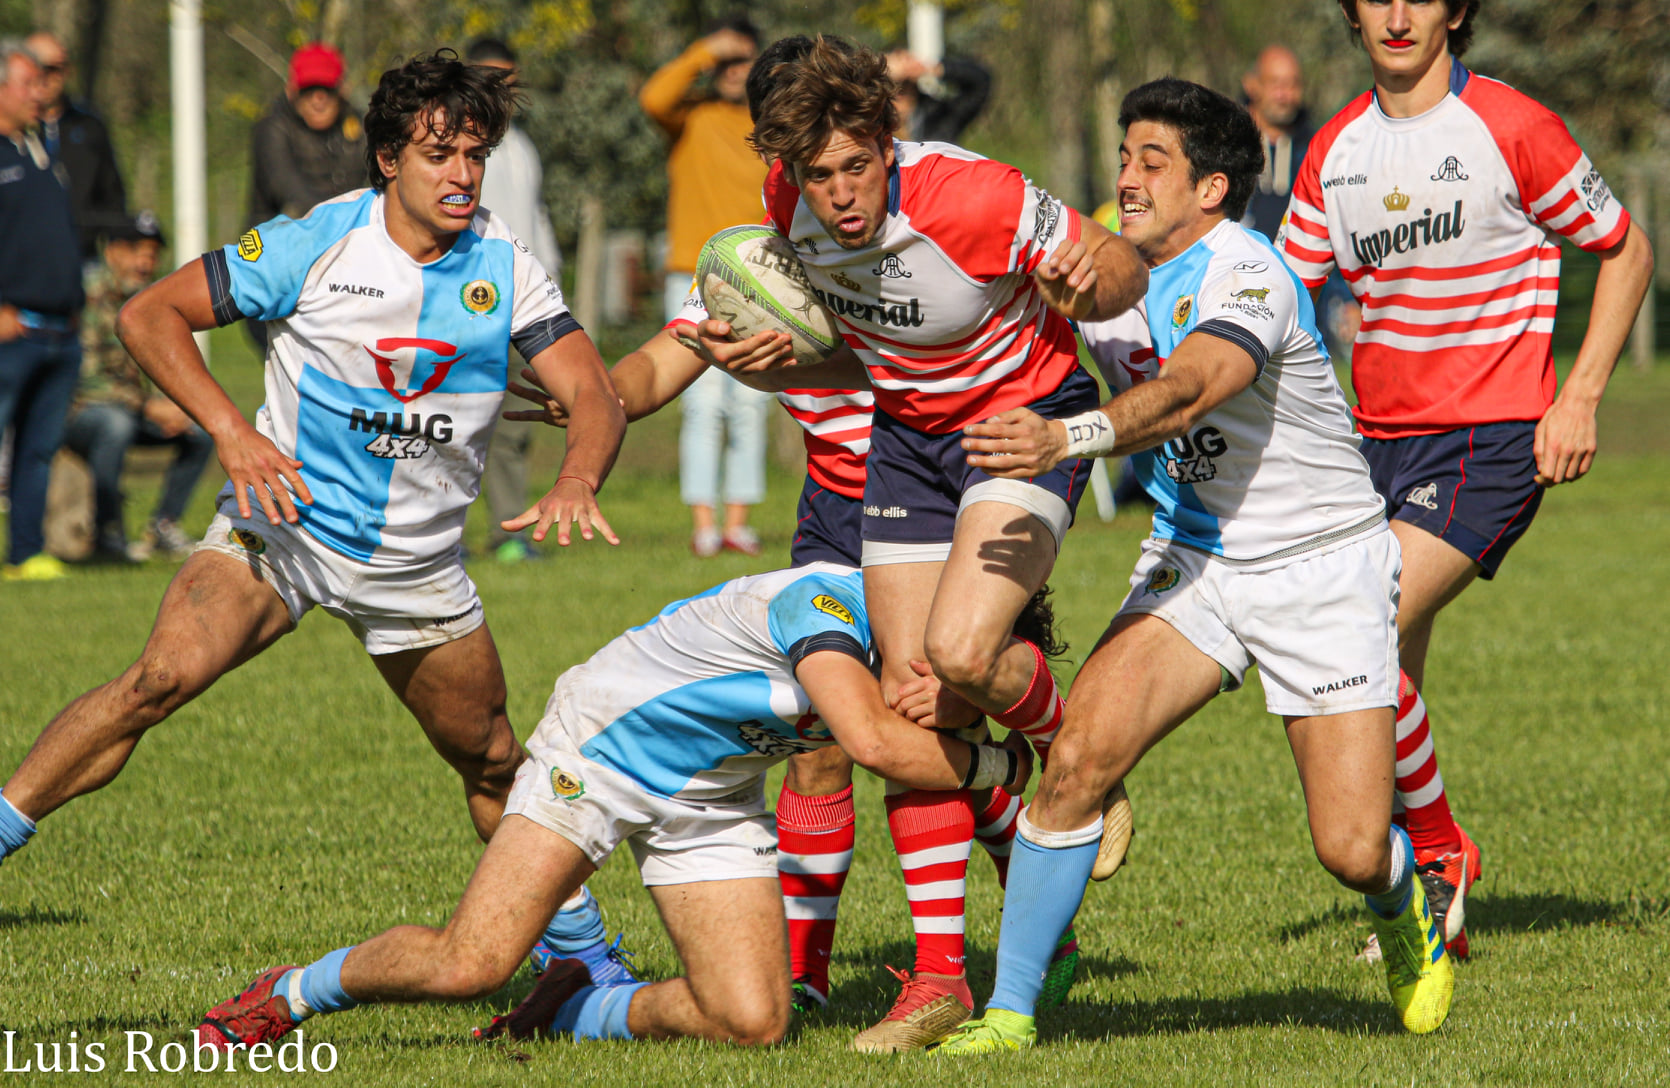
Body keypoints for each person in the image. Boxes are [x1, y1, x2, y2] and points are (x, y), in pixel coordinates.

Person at [0, 52, 625, 918]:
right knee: (156, 681)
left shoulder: (505, 265)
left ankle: (579, 955)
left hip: (415, 567)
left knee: (488, 758)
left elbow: (594, 390)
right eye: (439, 154)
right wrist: (231, 434)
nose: (461, 175)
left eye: (474, 155)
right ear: (388, 159)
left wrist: (579, 478)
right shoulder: (316, 241)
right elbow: (150, 314)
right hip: (282, 532)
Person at [935, 77, 1453, 1055]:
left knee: (1346, 846)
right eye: (1123, 157)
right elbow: (963, 334)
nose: (1125, 179)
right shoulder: (1099, 278)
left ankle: (1402, 905)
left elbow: (1186, 390)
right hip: (1195, 558)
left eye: (1151, 162)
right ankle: (1008, 1011)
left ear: (1211, 187)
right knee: (1079, 755)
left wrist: (1066, 437)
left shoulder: (1245, 272)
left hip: (1321, 566)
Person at [732, 36, 1147, 1049]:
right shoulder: (786, 209)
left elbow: (1124, 267)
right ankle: (935, 979)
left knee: (959, 657)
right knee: (904, 700)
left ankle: (1065, 744)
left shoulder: (974, 197)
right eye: (817, 174)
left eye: (854, 166)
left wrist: (1090, 280)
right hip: (908, 446)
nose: (837, 194)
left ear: (888, 141)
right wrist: (765, 352)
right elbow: (849, 334)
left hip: (1019, 427)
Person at [192, 562, 1036, 1052]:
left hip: (712, 792)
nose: (932, 704)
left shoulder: (925, 664)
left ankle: (570, 1011)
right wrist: (1011, 761)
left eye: (963, 701)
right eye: (943, 682)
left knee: (751, 1021)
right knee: (470, 965)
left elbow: (929, 759)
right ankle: (292, 993)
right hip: (599, 750)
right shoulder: (826, 603)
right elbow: (878, 746)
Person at [1278, 0, 1654, 960]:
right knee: (1386, 665)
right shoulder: (1334, 150)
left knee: (1358, 618)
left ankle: (1440, 851)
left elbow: (1625, 249)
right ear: (1353, 14)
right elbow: (1278, 300)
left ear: (1456, 11)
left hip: (1489, 439)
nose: (1398, 14)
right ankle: (1414, 888)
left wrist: (1579, 398)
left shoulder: (1512, 127)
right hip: (1374, 445)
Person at [639, 14, 773, 557]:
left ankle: (737, 522)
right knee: (702, 402)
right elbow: (653, 98)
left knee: (750, 402)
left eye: (745, 60)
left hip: (763, 278)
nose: (733, 70)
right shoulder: (690, 117)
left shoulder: (771, 127)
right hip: (692, 274)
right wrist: (703, 50)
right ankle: (702, 525)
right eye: (726, 61)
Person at [63, 210, 213, 561]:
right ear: (111, 251)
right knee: (115, 425)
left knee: (203, 428)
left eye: (151, 252)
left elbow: (164, 365)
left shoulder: (152, 302)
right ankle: (108, 533)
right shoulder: (86, 294)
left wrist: (176, 404)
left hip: (131, 410)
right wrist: (147, 406)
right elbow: (86, 379)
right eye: (135, 250)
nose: (145, 262)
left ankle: (163, 527)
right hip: (78, 412)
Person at [466, 37, 563, 564]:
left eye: (509, 79)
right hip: (470, 303)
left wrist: (552, 289)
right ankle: (443, 538)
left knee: (512, 427)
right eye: (490, 76)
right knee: (451, 418)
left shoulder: (521, 146)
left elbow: (536, 221)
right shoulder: (459, 144)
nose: (501, 88)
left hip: (521, 307)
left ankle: (508, 532)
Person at [0, 37, 83, 583]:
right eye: (30, 82)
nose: (41, 92)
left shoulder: (43, 149)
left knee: (37, 449)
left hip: (60, 332)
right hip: (13, 330)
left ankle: (26, 554)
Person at [245, 42, 367, 354]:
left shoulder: (363, 127)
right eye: (309, 89)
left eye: (326, 88)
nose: (318, 98)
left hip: (347, 266)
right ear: (291, 90)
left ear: (343, 88)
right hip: (277, 267)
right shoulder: (272, 129)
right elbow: (291, 193)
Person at [23, 31, 127, 261]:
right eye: (37, 68)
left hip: (82, 257)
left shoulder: (89, 126)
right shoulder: (12, 131)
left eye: (56, 69)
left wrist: (118, 246)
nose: (46, 78)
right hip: (21, 261)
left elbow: (112, 195)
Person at [885, 50, 991, 144]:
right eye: (890, 87)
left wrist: (935, 69)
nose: (898, 95)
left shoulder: (939, 115)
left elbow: (980, 82)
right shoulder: (875, 127)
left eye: (905, 87)